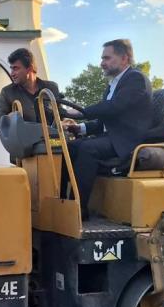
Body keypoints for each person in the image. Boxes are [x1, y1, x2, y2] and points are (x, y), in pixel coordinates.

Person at [61, 39, 153, 219]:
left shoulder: (135, 79)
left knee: (88, 149)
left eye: (107, 58)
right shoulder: (113, 85)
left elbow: (114, 108)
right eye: (102, 58)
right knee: (69, 147)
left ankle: (79, 209)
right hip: (112, 136)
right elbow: (106, 119)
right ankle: (64, 201)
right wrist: (78, 128)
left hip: (127, 140)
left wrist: (81, 112)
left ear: (124, 58)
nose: (102, 63)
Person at [0, 48, 63, 130]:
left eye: (16, 68)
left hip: (53, 140)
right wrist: (9, 118)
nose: (12, 74)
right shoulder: (7, 92)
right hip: (25, 142)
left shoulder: (52, 88)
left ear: (30, 68)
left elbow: (61, 115)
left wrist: (68, 120)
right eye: (11, 68)